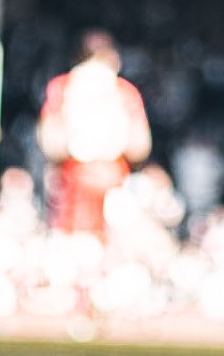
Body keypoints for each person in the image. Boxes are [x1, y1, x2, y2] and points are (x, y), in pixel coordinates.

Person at [36, 31, 152, 239]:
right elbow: (51, 142)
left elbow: (139, 145)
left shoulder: (124, 92)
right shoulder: (63, 88)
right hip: (75, 184)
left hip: (109, 184)